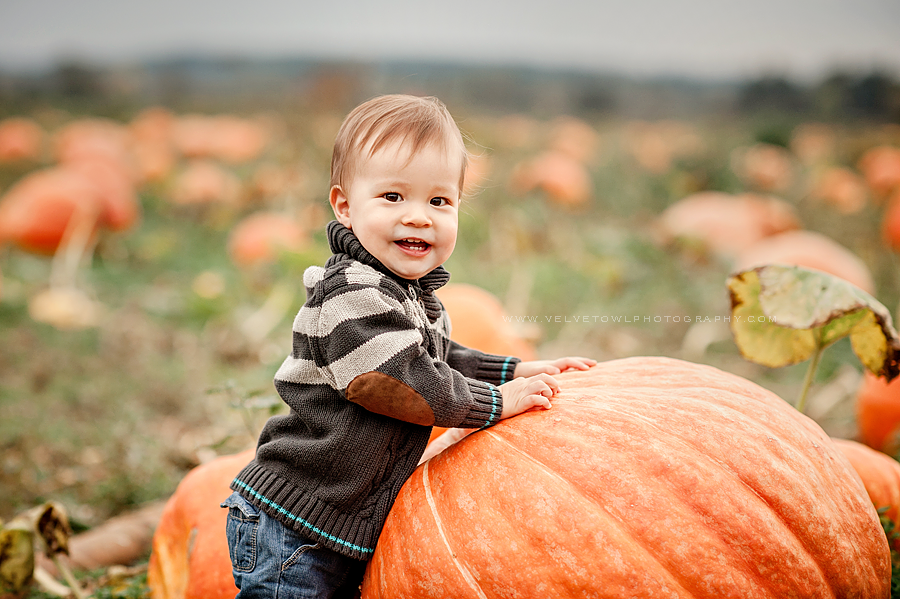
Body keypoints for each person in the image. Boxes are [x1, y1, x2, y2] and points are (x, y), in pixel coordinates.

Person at [221, 94, 595, 598]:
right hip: (293, 527)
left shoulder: (406, 294)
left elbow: (437, 360)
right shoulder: (350, 295)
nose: (419, 217)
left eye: (439, 201)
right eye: (394, 197)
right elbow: (398, 380)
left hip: (336, 524)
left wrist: (516, 370)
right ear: (345, 206)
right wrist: (494, 404)